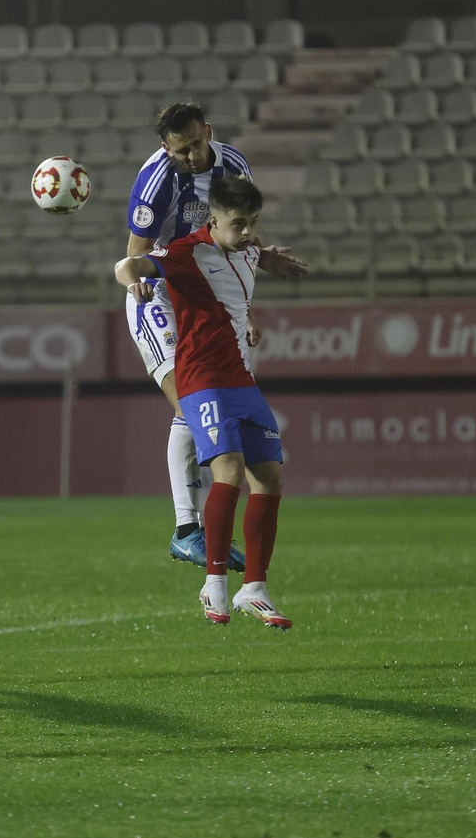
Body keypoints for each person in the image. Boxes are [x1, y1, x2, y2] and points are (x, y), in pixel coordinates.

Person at [114, 177, 306, 629]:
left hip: (239, 377)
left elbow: (252, 261)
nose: (246, 232)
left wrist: (269, 260)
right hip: (201, 379)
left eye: (252, 224)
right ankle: (214, 581)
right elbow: (128, 265)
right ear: (214, 219)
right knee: (230, 472)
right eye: (238, 224)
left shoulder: (246, 250)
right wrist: (132, 284)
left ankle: (254, 588)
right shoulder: (184, 253)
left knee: (271, 478)